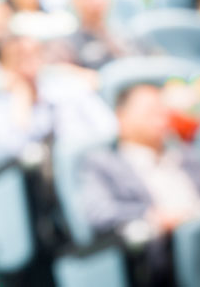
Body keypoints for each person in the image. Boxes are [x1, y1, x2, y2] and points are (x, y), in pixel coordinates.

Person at [81, 84, 200, 284]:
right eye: (149, 111)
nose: (160, 117)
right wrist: (153, 216)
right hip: (168, 251)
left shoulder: (185, 156)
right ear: (122, 117)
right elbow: (99, 213)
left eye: (162, 110)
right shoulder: (104, 164)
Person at [0, 34, 117, 166]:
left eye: (34, 55)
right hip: (40, 181)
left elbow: (108, 127)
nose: (29, 66)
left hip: (90, 161)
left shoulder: (67, 86)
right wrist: (21, 104)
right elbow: (7, 156)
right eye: (19, 59)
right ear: (4, 67)